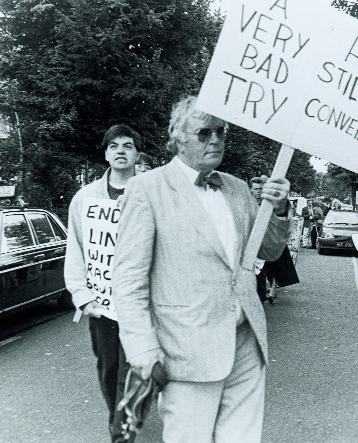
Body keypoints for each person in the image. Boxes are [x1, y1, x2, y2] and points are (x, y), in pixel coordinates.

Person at [111, 94, 291, 442]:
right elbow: (129, 280)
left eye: (221, 132)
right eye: (204, 132)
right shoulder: (146, 189)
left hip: (245, 343)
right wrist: (143, 350)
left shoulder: (237, 189)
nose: (215, 140)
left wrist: (279, 210)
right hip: (185, 350)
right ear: (177, 138)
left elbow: (268, 250)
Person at [64, 124, 143, 443]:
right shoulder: (84, 199)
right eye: (113, 146)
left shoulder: (150, 194)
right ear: (106, 153)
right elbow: (76, 249)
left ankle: (122, 432)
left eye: (127, 145)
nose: (120, 150)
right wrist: (83, 298)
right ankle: (119, 417)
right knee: (110, 372)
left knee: (136, 371)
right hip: (102, 307)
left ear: (137, 154)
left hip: (140, 306)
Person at [250, 176, 299, 302]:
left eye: (260, 189)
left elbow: (281, 223)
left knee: (273, 266)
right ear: (251, 190)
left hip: (268, 242)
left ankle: (271, 290)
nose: (258, 192)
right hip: (251, 244)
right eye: (255, 189)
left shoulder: (270, 204)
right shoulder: (247, 204)